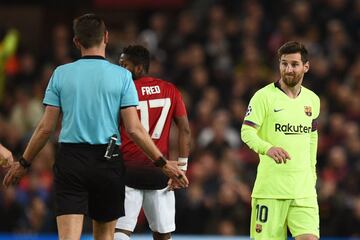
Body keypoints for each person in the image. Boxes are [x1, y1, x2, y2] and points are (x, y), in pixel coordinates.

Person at [3, 14, 188, 240]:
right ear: (106, 37)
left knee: (69, 237)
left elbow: (45, 128)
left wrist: (23, 163)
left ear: (76, 41)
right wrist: (162, 164)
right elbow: (134, 129)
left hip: (71, 159)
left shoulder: (61, 74)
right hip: (108, 161)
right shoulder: (122, 77)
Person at [241, 41, 320, 240]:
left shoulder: (312, 100)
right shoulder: (263, 97)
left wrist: (312, 174)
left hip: (303, 191)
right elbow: (246, 132)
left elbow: (312, 138)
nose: (288, 69)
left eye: (294, 64)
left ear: (306, 67)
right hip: (271, 192)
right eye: (284, 64)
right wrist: (267, 148)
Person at [114, 45, 191, 240]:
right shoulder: (170, 90)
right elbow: (185, 129)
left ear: (139, 68)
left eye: (124, 65)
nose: (120, 69)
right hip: (160, 172)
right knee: (163, 235)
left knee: (120, 232)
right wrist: (181, 167)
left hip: (127, 170)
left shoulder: (122, 91)